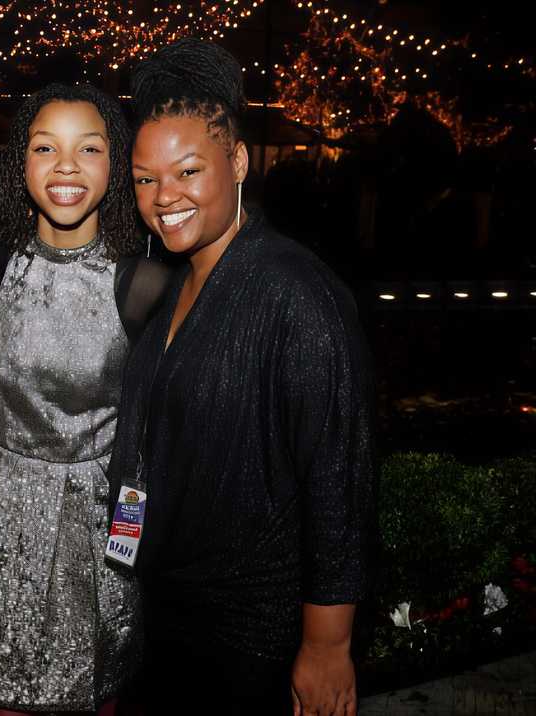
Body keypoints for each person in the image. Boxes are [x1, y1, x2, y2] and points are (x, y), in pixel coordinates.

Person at [109, 38, 375, 715]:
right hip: (169, 612)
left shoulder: (297, 293)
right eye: (144, 179)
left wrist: (327, 646)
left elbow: (338, 476)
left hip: (255, 634)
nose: (164, 196)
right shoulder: (176, 284)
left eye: (188, 171)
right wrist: (127, 541)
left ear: (238, 162)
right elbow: (148, 443)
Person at [0, 83, 169, 716]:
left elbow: (160, 431)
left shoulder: (144, 283)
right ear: (22, 161)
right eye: (46, 147)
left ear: (115, 165)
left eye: (89, 149)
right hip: (2, 522)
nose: (66, 166)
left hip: (97, 530)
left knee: (93, 694)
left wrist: (132, 537)